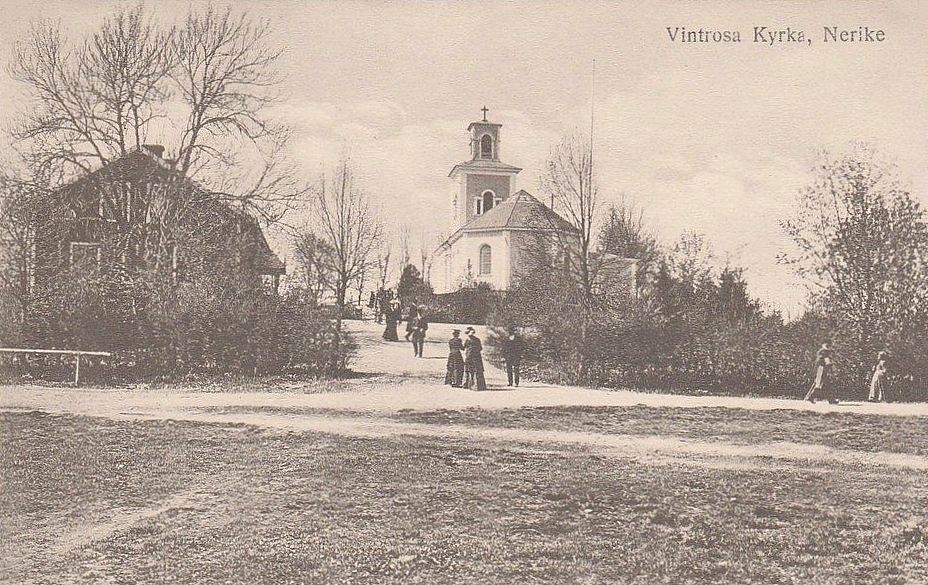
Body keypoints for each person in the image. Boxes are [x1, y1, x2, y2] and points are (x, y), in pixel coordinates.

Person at [805, 340, 837, 404]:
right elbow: (827, 362)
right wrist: (831, 369)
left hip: (822, 369)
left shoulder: (822, 351)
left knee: (825, 384)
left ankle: (830, 399)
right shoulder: (824, 352)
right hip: (821, 369)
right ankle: (811, 397)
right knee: (820, 384)